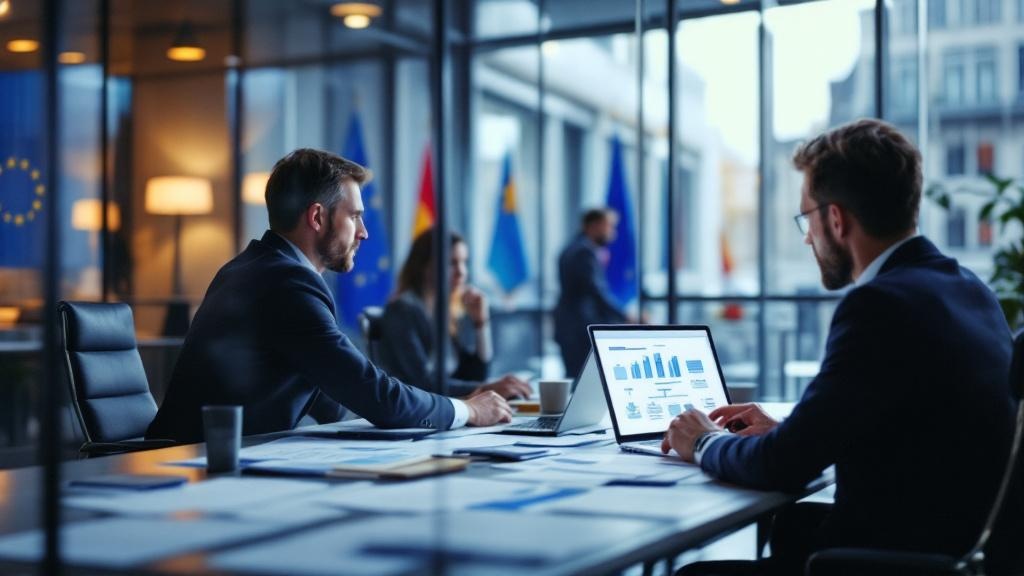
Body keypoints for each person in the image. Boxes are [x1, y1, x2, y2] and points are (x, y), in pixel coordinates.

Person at [663, 119, 1018, 575]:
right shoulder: (968, 288)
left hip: (900, 560)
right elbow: (906, 428)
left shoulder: (880, 305)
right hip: (957, 548)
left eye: (806, 219)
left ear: (835, 218)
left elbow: (781, 467)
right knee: (792, 525)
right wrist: (791, 431)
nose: (807, 237)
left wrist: (704, 441)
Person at [147, 149, 512, 443]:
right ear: (318, 217)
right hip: (196, 471)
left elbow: (335, 392)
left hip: (210, 460)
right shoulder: (286, 281)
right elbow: (373, 393)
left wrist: (385, 420)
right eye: (355, 217)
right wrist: (467, 411)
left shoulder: (254, 267)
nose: (364, 233)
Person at [377, 229, 533, 399]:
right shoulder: (402, 310)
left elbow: (474, 375)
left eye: (464, 262)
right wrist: (488, 388)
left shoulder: (442, 311)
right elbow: (422, 383)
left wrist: (481, 323)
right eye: (452, 263)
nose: (462, 272)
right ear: (424, 266)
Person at [554, 208, 629, 377]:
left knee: (576, 377)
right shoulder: (584, 252)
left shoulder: (572, 247)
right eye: (609, 226)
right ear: (594, 226)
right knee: (582, 378)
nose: (613, 232)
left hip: (569, 325)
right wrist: (625, 315)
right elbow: (596, 291)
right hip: (579, 327)